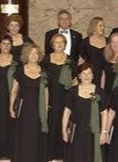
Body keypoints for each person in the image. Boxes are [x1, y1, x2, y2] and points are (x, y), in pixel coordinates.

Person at [62, 63, 109, 162]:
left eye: (89, 73)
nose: (86, 76)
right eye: (83, 73)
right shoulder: (72, 92)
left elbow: (104, 113)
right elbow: (66, 112)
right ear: (79, 76)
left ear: (93, 75)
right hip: (76, 132)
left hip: (93, 133)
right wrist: (64, 131)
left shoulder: (100, 92)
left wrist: (104, 132)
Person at [9, 43, 48, 162]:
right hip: (23, 109)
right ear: (26, 55)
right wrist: (11, 108)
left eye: (36, 53)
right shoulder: (20, 71)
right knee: (23, 136)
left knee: (35, 136)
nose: (33, 55)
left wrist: (46, 108)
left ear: (39, 55)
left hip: (38, 109)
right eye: (31, 53)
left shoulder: (44, 72)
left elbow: (46, 91)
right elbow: (14, 91)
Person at [42, 33, 76, 162]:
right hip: (50, 96)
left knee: (65, 122)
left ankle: (64, 154)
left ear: (65, 44)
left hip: (66, 96)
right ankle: (50, 154)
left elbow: (74, 81)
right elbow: (42, 81)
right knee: (52, 122)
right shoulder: (46, 60)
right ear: (52, 45)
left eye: (62, 42)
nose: (59, 44)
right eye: (56, 42)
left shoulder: (70, 61)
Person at [82, 17, 107, 86]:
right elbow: (82, 61)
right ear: (93, 26)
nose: (103, 28)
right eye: (100, 25)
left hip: (106, 76)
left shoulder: (108, 41)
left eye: (103, 26)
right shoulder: (85, 42)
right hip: (90, 76)